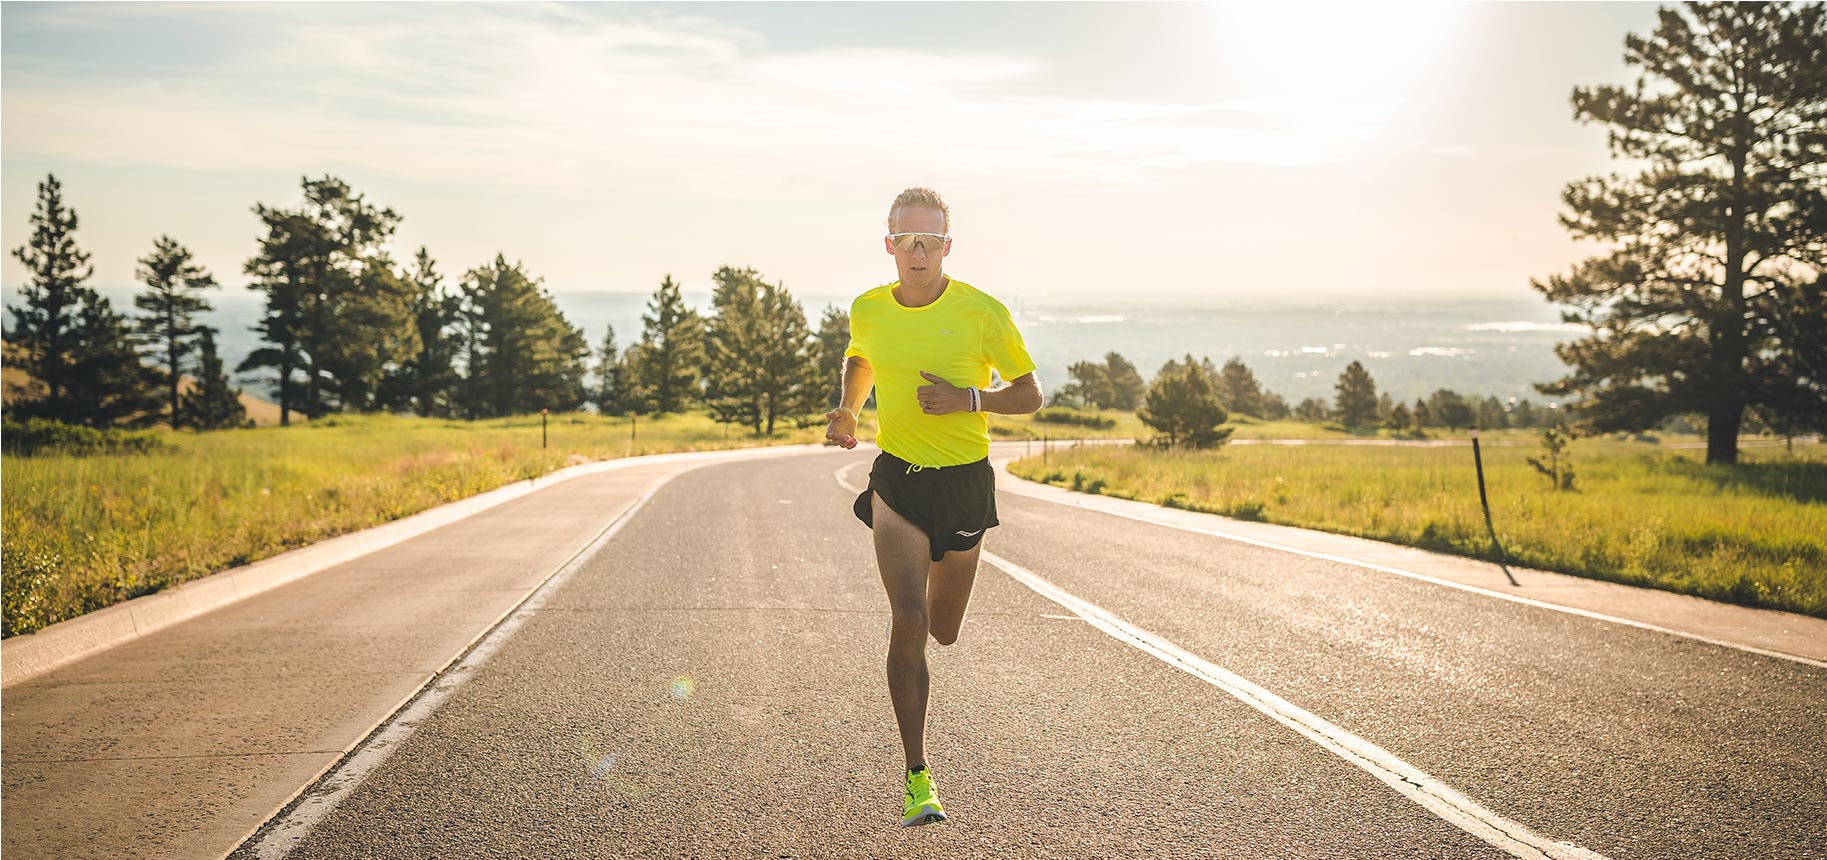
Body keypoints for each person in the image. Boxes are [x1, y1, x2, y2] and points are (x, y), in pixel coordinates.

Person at [824, 187, 1043, 827]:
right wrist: (848, 408)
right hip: (899, 480)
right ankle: (918, 775)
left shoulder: (982, 312)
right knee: (909, 616)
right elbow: (862, 355)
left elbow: (1028, 394)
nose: (917, 252)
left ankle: (920, 751)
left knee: (944, 627)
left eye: (930, 241)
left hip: (965, 484)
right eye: (905, 240)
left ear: (947, 246)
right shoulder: (869, 307)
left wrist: (969, 401)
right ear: (888, 243)